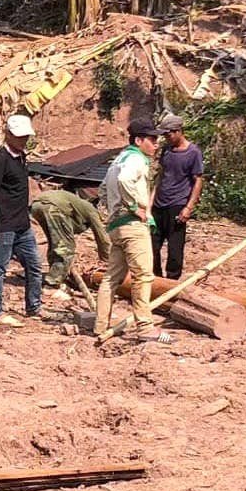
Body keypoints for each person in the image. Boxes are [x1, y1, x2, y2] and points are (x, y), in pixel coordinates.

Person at [95, 118, 164, 341]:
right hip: (132, 225)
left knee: (111, 278)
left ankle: (99, 324)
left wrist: (111, 211)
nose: (156, 144)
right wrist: (135, 207)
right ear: (138, 140)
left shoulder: (118, 160)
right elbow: (126, 180)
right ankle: (144, 327)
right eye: (152, 140)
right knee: (143, 275)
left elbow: (104, 188)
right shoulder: (136, 159)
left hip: (116, 225)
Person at [0, 114, 43, 327]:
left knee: (34, 266)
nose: (23, 140)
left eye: (25, 136)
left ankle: (33, 307)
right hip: (5, 224)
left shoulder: (21, 157)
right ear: (8, 135)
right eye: (19, 136)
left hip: (22, 224)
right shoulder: (1, 159)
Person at [30, 189, 111, 301]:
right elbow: (102, 237)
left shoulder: (77, 206)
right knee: (66, 247)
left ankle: (56, 274)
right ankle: (52, 284)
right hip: (53, 207)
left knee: (56, 244)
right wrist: (108, 260)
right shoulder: (91, 210)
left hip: (36, 206)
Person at [151, 114, 204, 280]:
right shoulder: (166, 150)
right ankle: (156, 279)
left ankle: (172, 282)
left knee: (174, 250)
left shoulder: (193, 153)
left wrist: (188, 207)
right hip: (159, 205)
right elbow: (160, 176)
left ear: (179, 131)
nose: (166, 138)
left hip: (177, 205)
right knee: (152, 246)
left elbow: (198, 181)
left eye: (169, 134)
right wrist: (151, 201)